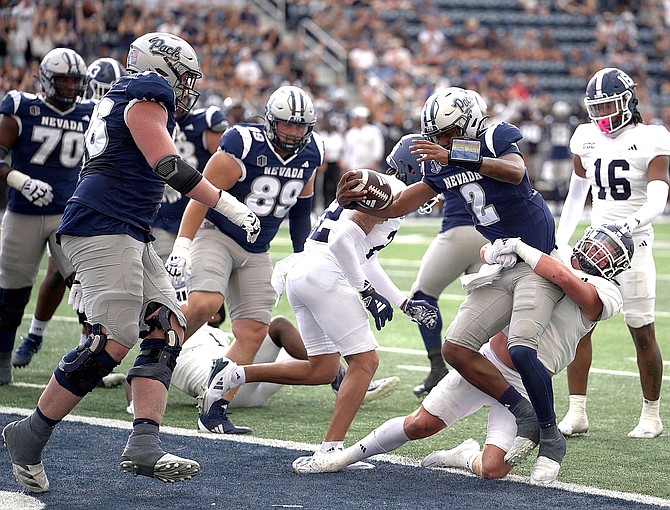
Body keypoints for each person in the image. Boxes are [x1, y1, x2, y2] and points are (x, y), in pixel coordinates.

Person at [2, 32, 261, 493]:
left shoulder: (130, 95)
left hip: (127, 227)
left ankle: (144, 443)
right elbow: (167, 165)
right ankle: (30, 434)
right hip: (102, 223)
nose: (186, 88)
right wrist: (227, 204)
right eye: (183, 78)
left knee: (167, 324)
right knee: (112, 341)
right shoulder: (146, 94)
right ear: (161, 70)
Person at [336, 87, 567, 474]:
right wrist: (359, 203)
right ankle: (521, 410)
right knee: (456, 349)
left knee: (522, 348)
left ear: (470, 124)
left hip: (536, 260)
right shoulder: (441, 160)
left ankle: (549, 432)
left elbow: (515, 171)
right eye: (436, 136)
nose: (440, 142)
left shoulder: (495, 136)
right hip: (502, 262)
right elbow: (400, 204)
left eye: (448, 134)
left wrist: (456, 154)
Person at [291, 224, 632, 485]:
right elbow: (488, 252)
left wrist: (523, 249)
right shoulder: (551, 256)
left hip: (528, 383)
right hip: (489, 364)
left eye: (608, 251)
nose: (599, 252)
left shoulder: (607, 294)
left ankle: (463, 455)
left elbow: (563, 278)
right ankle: (345, 456)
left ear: (617, 266)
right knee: (420, 424)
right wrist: (498, 253)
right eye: (598, 243)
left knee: (494, 469)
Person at [198, 170, 440, 463]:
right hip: (324, 273)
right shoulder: (389, 189)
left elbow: (368, 259)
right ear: (412, 172)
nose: (430, 190)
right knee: (365, 362)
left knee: (324, 369)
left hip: (305, 273)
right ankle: (329, 450)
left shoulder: (384, 190)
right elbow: (340, 238)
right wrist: (366, 292)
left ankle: (234, 374)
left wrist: (403, 303)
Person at [165, 85, 324, 434]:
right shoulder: (242, 143)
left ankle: (215, 408)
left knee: (253, 331)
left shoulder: (312, 152)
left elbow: (300, 212)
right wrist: (183, 243)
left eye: (300, 127)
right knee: (205, 303)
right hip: (218, 234)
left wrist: (303, 256)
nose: (293, 133)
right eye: (286, 125)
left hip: (258, 248)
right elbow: (201, 195)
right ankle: (153, 369)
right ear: (270, 121)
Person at [554, 67, 670, 439]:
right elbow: (576, 195)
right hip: (593, 245)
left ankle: (651, 414)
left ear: (629, 102)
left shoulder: (651, 137)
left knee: (641, 331)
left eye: (610, 106)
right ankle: (577, 412)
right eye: (597, 108)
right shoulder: (585, 137)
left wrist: (629, 225)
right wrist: (559, 240)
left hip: (634, 244)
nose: (603, 116)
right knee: (579, 327)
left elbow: (658, 196)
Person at [12, 57, 128, 371]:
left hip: (90, 203)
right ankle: (37, 335)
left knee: (90, 281)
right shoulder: (83, 111)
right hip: (64, 205)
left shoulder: (114, 113)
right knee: (57, 276)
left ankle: (86, 346)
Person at [0, 48, 93, 383]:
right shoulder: (22, 107)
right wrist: (20, 181)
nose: (70, 87)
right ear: (46, 79)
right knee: (12, 291)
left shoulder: (90, 112)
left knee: (86, 288)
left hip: (68, 216)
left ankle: (88, 359)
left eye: (75, 81)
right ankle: (2, 357)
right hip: (23, 212)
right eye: (63, 80)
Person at [133, 312, 400, 420]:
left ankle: (345, 381)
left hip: (245, 387)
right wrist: (137, 402)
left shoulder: (209, 331)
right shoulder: (164, 342)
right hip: (222, 387)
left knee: (307, 359)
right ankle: (342, 378)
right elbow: (145, 372)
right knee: (279, 326)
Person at [387, 129, 487, 398]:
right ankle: (488, 377)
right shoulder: (490, 146)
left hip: (459, 232)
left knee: (423, 295)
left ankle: (437, 368)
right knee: (489, 311)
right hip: (491, 238)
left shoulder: (447, 148)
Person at [152, 103, 228, 261]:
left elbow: (225, 163)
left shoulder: (206, 120)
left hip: (200, 215)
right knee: (165, 270)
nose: (177, 103)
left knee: (198, 270)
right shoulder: (150, 120)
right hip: (162, 214)